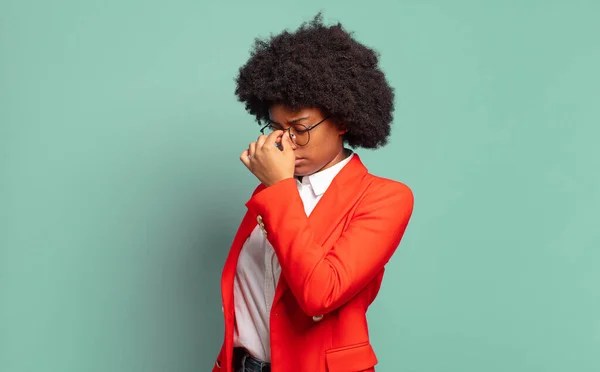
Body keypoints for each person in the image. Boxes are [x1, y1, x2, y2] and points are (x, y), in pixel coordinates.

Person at [212, 13, 414, 372]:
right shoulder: (271, 192)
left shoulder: (384, 199)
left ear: (342, 120)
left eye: (300, 128)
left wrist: (279, 188)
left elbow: (319, 294)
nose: (286, 142)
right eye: (276, 127)